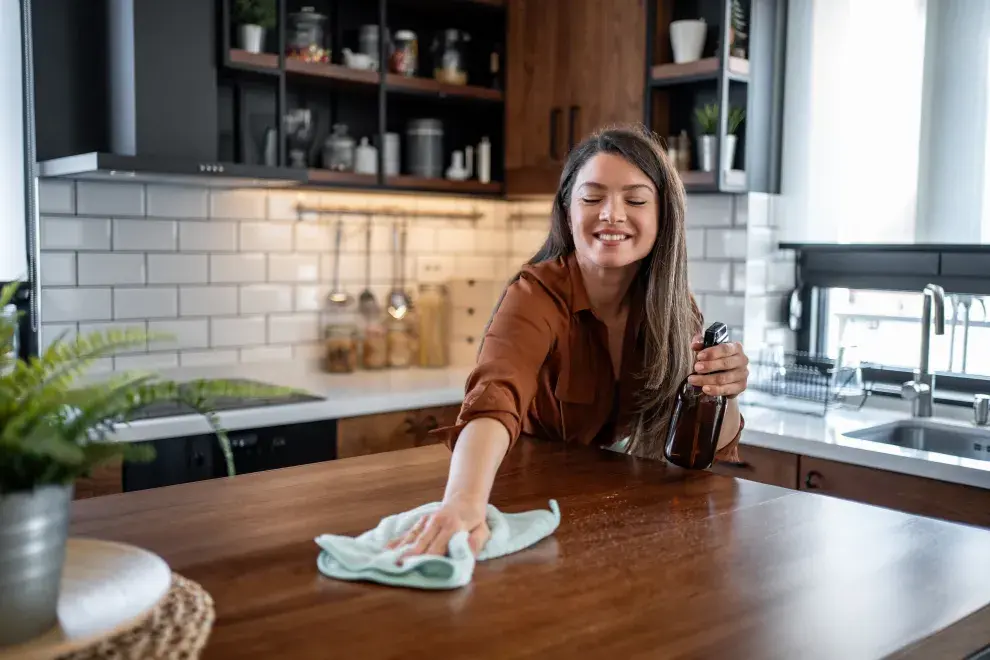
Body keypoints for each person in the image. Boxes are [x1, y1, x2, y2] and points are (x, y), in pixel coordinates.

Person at [387, 126, 750, 559]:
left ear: (663, 215)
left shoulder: (675, 306)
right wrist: (463, 503)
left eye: (635, 201)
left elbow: (709, 451)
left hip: (619, 519)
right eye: (592, 198)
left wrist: (724, 391)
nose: (611, 214)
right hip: (524, 511)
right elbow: (494, 397)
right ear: (566, 211)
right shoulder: (535, 294)